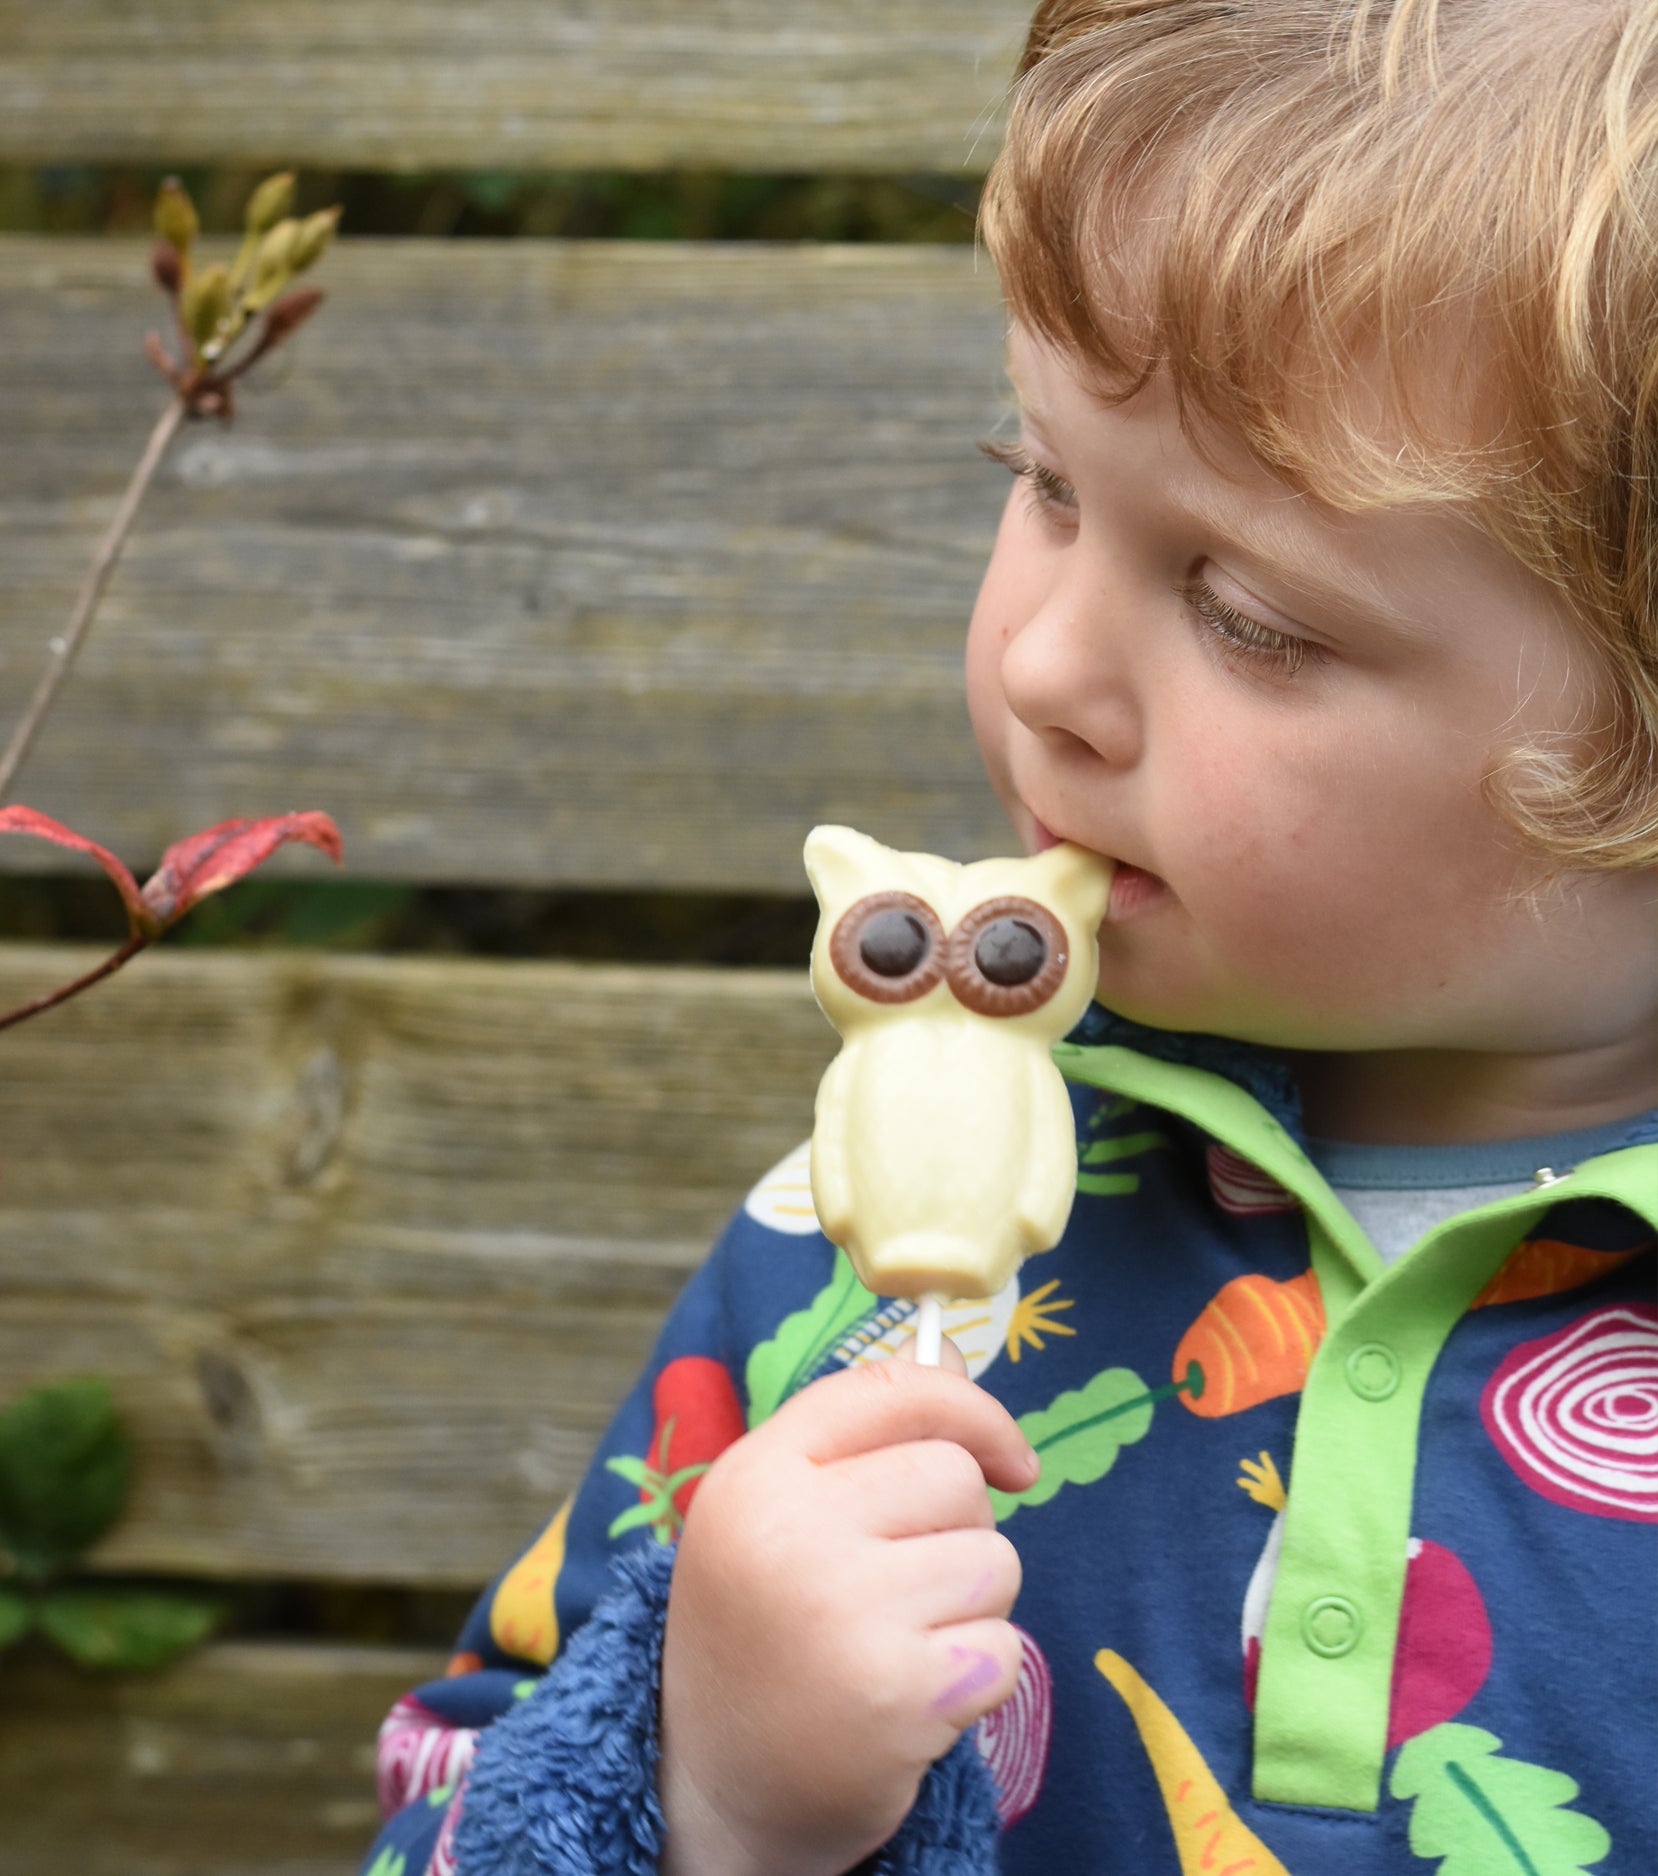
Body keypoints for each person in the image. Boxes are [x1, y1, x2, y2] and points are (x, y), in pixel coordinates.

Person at [360, 3, 1658, 1871]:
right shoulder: (839, 1266)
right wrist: (713, 1791)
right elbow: (442, 1814)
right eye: (1043, 483)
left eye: (1251, 615)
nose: (1044, 667)